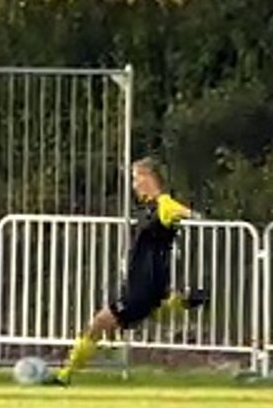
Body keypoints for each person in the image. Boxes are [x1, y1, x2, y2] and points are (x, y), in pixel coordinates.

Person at [47, 157, 209, 386]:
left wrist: (190, 222)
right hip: (144, 283)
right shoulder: (151, 208)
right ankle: (180, 302)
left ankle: (64, 376)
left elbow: (196, 218)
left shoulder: (165, 204)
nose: (134, 185)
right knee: (137, 315)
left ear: (148, 177)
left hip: (142, 286)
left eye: (136, 178)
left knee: (98, 324)